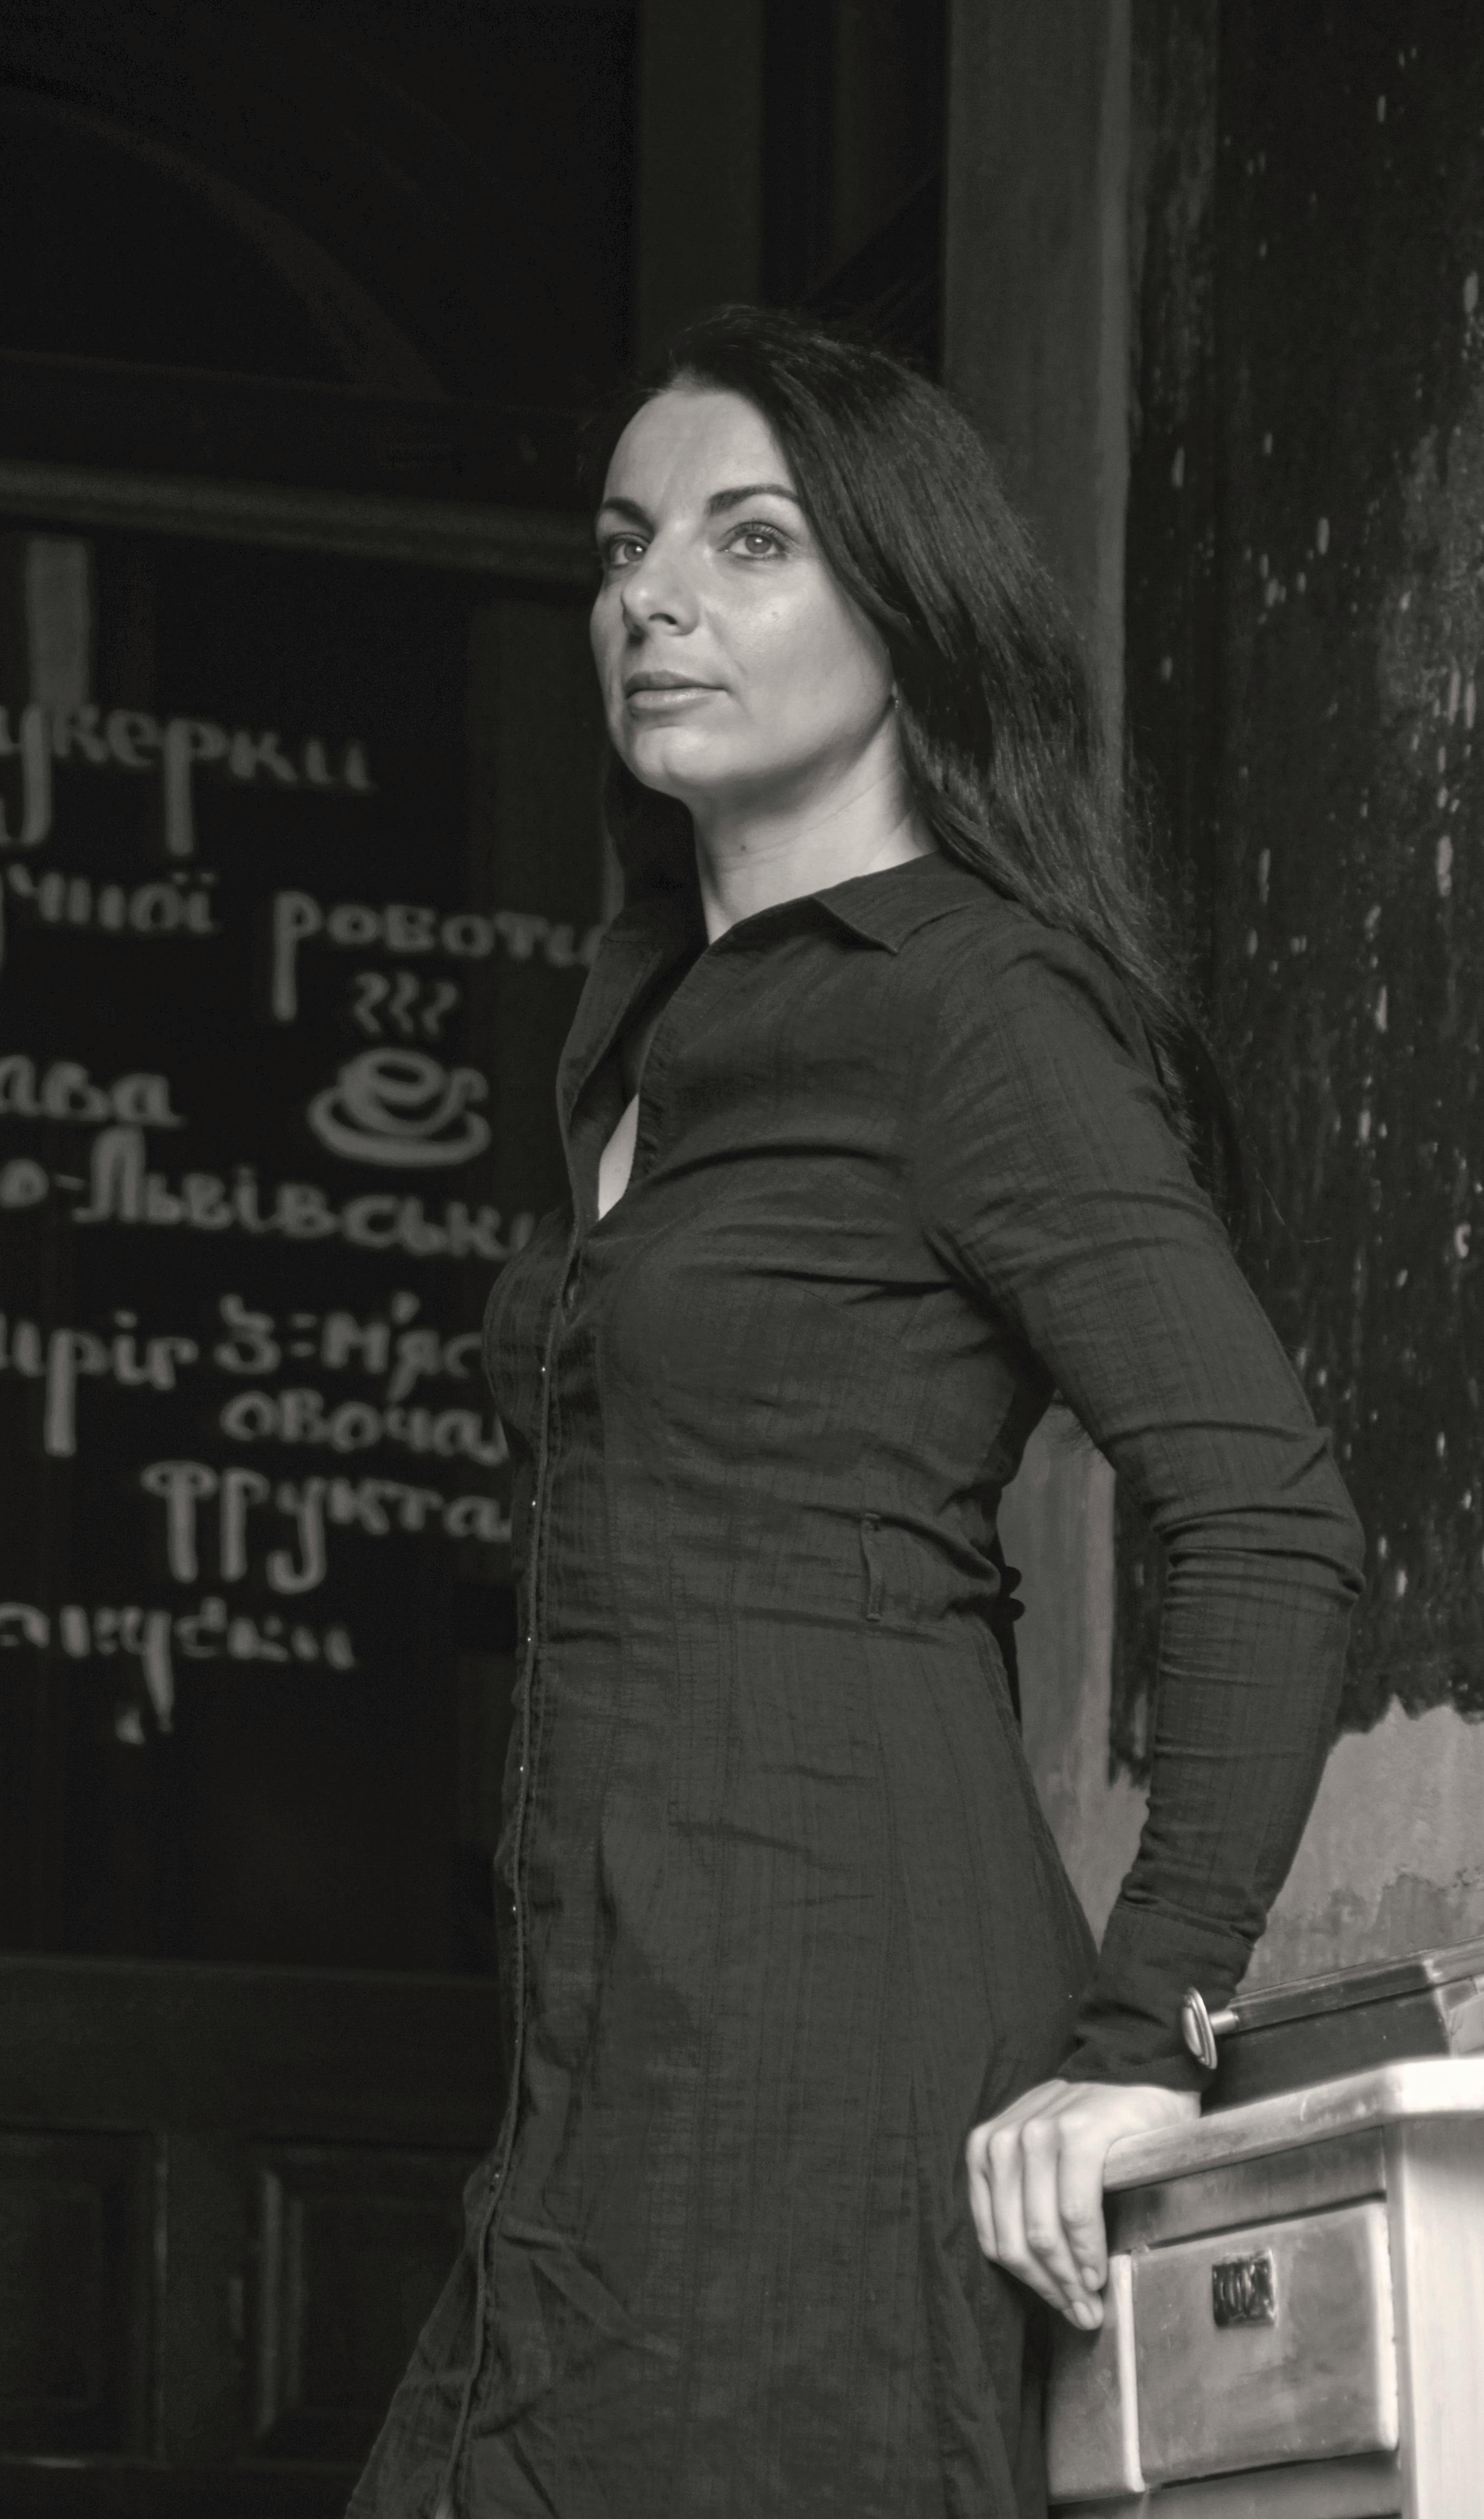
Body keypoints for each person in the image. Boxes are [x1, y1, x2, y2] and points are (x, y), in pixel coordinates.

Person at [348, 306, 1363, 2519]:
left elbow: (1272, 1522)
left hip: (833, 2043)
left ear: (907, 608)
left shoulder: (978, 1015)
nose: (655, 599)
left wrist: (1145, 2038)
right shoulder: (640, 1021)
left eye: (749, 542)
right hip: (604, 2055)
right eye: (624, 548)